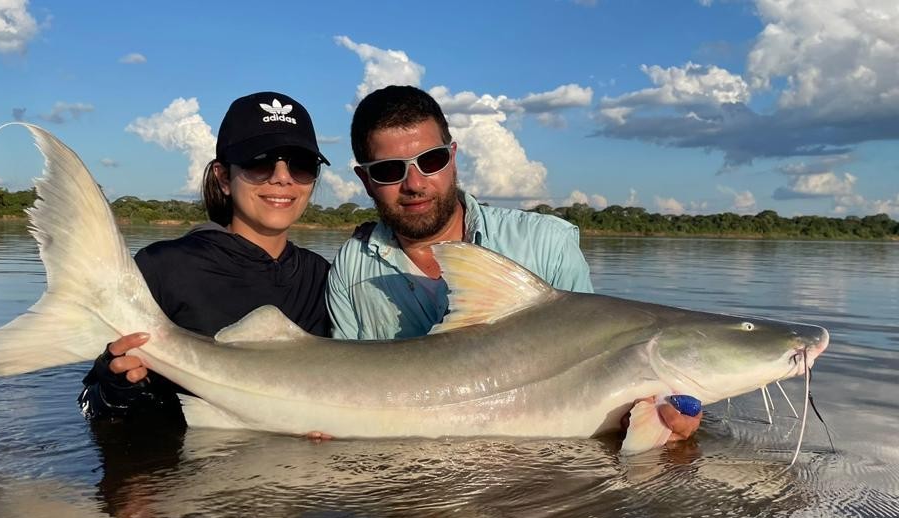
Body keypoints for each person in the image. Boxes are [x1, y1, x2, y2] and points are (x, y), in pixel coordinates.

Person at [326, 85, 701, 442]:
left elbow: (598, 367)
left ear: (453, 158)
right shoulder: (350, 268)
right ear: (364, 179)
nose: (415, 183)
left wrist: (652, 416)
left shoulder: (547, 243)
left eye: (431, 160)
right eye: (389, 170)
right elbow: (343, 384)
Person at [78, 91, 332, 424]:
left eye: (301, 165)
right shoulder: (163, 268)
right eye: (259, 161)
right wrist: (114, 388)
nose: (282, 177)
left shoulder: (325, 278)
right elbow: (89, 403)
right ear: (223, 177)